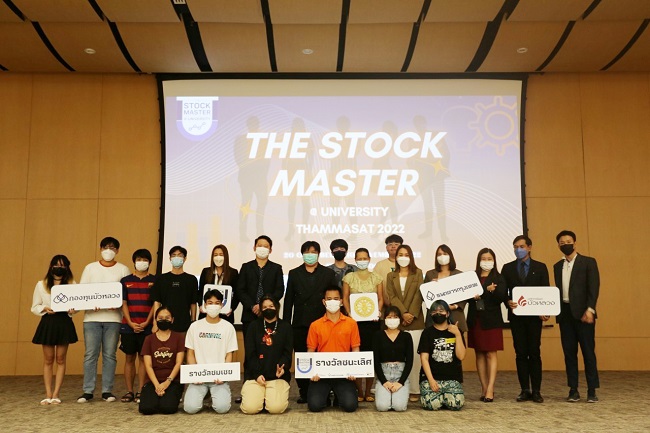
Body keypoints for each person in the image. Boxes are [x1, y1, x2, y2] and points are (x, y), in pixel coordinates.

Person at [78, 236, 130, 403]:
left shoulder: (123, 269)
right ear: (100, 249)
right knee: (90, 355)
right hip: (91, 318)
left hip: (113, 319)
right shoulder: (90, 268)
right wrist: (88, 303)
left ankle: (107, 390)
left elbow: (126, 296)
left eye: (112, 248)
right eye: (106, 247)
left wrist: (117, 305)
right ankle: (88, 390)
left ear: (117, 250)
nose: (109, 250)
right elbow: (81, 292)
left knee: (109, 355)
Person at [283, 241, 337, 403]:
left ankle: (324, 390)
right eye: (307, 252)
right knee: (302, 358)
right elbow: (288, 301)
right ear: (302, 254)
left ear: (319, 254)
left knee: (322, 357)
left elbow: (333, 298)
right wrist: (286, 325)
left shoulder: (328, 273)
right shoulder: (294, 273)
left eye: (313, 252)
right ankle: (304, 391)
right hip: (300, 323)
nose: (310, 255)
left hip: (323, 323)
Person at [502, 235, 550, 403]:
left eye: (521, 246)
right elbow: (503, 292)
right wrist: (507, 301)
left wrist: (546, 311)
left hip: (534, 318)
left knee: (534, 352)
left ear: (529, 247)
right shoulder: (507, 268)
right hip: (516, 317)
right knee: (520, 353)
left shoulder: (540, 267)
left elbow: (546, 292)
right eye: (515, 247)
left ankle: (536, 390)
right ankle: (524, 389)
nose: (518, 249)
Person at [554, 230, 600, 403]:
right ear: (558, 245)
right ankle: (573, 389)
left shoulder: (588, 262)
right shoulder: (557, 266)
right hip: (565, 314)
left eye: (568, 241)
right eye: (562, 242)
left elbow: (593, 287)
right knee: (569, 353)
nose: (565, 244)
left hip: (584, 314)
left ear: (575, 243)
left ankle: (592, 390)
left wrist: (590, 309)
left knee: (588, 352)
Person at [31, 255, 78, 405]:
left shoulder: (72, 284)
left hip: (64, 321)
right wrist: (45, 308)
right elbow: (35, 306)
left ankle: (56, 394)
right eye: (57, 265)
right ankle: (48, 394)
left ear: (67, 268)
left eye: (63, 265)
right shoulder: (41, 284)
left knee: (61, 359)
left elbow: (76, 306)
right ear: (51, 266)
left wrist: (73, 309)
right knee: (48, 359)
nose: (59, 268)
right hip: (48, 322)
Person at [306, 286, 361, 413]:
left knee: (350, 406)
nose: (332, 302)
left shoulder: (351, 323)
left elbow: (355, 348)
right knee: (314, 406)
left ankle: (338, 396)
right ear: (324, 302)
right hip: (321, 374)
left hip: (344, 373)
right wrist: (311, 373)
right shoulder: (315, 325)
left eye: (336, 299)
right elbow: (310, 351)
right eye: (329, 299)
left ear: (341, 301)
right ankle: (326, 397)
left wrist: (354, 370)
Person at [184, 289, 238, 414]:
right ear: (204, 305)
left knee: (222, 408)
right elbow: (190, 353)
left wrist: (224, 376)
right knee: (190, 408)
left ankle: (213, 395)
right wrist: (194, 374)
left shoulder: (228, 327)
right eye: (210, 302)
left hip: (219, 378)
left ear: (222, 305)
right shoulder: (195, 326)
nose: (213, 306)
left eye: (217, 303)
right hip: (199, 377)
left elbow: (229, 354)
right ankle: (206, 396)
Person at [467, 248, 508, 402]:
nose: (486, 261)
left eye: (489, 259)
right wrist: (486, 289)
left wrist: (489, 292)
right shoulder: (472, 277)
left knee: (491, 353)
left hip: (491, 320)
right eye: (483, 258)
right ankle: (484, 388)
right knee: (479, 353)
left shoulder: (499, 277)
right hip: (475, 319)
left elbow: (500, 297)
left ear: (494, 260)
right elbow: (467, 296)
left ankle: (491, 388)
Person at [342, 247, 383, 401]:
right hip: (354, 323)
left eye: (365, 258)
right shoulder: (349, 278)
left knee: (371, 356)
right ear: (355, 260)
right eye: (359, 258)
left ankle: (368, 392)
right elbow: (345, 298)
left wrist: (377, 311)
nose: (362, 261)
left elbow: (380, 299)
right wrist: (349, 313)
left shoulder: (377, 278)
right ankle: (359, 391)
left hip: (372, 323)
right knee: (357, 356)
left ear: (369, 259)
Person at [240, 296, 293, 414]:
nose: (268, 309)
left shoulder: (286, 327)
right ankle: (261, 398)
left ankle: (267, 398)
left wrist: (282, 367)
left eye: (271, 306)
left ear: (277, 307)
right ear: (260, 309)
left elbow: (287, 353)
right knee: (250, 408)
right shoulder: (253, 326)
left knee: (276, 408)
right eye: (264, 307)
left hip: (277, 377)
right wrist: (257, 374)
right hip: (255, 376)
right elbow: (250, 354)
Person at [386, 244, 424, 402]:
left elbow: (419, 295)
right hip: (397, 320)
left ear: (411, 257)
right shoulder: (391, 275)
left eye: (406, 254)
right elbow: (391, 296)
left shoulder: (418, 273)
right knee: (398, 356)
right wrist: (403, 314)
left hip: (415, 320)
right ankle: (398, 386)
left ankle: (414, 389)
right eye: (400, 254)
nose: (403, 257)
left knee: (414, 357)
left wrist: (411, 314)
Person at [119, 249, 156, 404]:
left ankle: (141, 390)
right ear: (134, 261)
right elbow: (123, 303)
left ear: (149, 262)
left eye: (145, 260)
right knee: (129, 358)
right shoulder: (125, 280)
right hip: (128, 327)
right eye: (139, 259)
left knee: (143, 358)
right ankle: (129, 391)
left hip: (147, 326)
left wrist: (147, 322)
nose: (142, 262)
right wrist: (130, 322)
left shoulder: (154, 280)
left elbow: (155, 304)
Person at [418, 300, 466, 410]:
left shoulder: (456, 331)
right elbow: (424, 359)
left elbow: (461, 356)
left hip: (452, 378)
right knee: (432, 405)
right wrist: (431, 380)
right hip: (432, 378)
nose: (438, 314)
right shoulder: (427, 333)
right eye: (434, 312)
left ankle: (444, 397)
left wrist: (457, 335)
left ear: (447, 313)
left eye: (441, 311)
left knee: (456, 404)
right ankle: (441, 397)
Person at [237, 235, 284, 341]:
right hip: (249, 315)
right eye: (259, 245)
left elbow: (279, 290)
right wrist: (253, 306)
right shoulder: (246, 267)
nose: (262, 248)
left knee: (269, 345)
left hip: (270, 315)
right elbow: (240, 290)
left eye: (266, 246)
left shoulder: (276, 268)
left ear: (270, 250)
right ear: (254, 248)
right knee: (250, 347)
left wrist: (264, 305)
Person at [139, 306, 185, 415]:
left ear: (172, 320)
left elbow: (179, 363)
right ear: (155, 320)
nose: (164, 320)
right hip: (153, 381)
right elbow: (148, 365)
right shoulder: (149, 339)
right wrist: (157, 385)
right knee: (146, 409)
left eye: (167, 318)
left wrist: (167, 382)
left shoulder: (179, 337)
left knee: (168, 408)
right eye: (160, 318)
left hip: (173, 380)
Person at [372, 306, 413, 412]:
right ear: (384, 319)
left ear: (400, 319)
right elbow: (376, 360)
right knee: (382, 407)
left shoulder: (406, 336)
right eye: (389, 317)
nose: (392, 320)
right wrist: (384, 381)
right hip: (384, 374)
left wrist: (401, 382)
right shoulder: (378, 335)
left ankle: (397, 395)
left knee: (399, 407)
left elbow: (409, 361)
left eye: (395, 317)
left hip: (400, 374)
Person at [151, 246, 197, 333]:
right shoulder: (161, 279)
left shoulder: (191, 279)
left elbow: (193, 303)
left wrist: (193, 322)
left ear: (185, 258)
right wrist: (155, 322)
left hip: (184, 324)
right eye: (174, 255)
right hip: (165, 323)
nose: (177, 257)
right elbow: (157, 302)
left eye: (180, 255)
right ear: (170, 258)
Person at [423, 244, 467, 333]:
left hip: (455, 315)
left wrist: (455, 306)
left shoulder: (459, 274)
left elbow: (465, 294)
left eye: (445, 254)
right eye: (439, 254)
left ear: (450, 256)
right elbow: (424, 296)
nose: (442, 256)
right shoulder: (429, 274)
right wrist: (431, 287)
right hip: (434, 317)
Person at [198, 244, 239, 323]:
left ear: (225, 256)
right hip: (207, 314)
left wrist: (231, 308)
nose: (218, 257)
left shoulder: (233, 273)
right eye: (215, 255)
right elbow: (200, 292)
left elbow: (237, 294)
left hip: (225, 315)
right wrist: (201, 305)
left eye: (221, 255)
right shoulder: (206, 272)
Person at [373, 234, 403, 306]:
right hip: (384, 305)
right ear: (386, 248)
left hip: (404, 305)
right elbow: (374, 285)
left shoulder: (406, 264)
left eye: (396, 244)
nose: (393, 246)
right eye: (390, 244)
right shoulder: (380, 265)